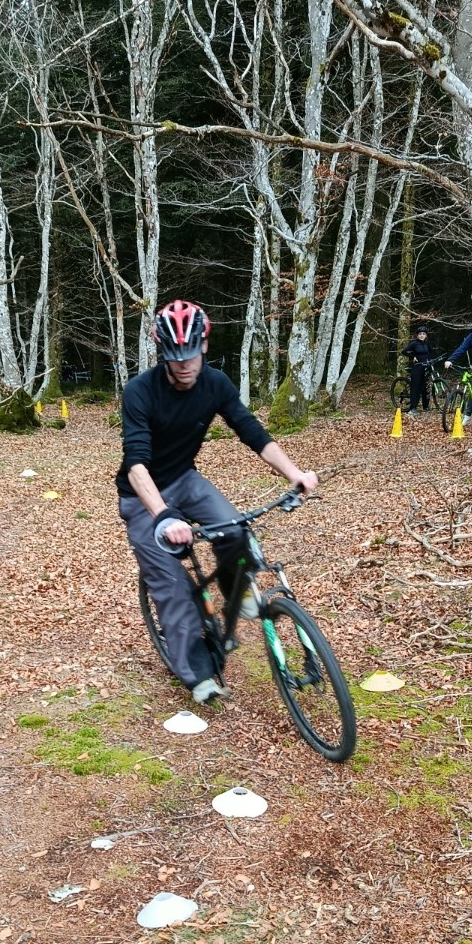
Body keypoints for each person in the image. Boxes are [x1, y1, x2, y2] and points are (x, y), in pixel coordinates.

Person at [118, 299, 319, 704]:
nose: (184, 364)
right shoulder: (140, 391)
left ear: (204, 346)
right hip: (143, 497)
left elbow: (252, 431)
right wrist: (164, 517)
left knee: (236, 531)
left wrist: (294, 473)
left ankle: (235, 589)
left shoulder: (216, 384)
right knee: (173, 587)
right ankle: (197, 673)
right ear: (162, 352)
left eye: (191, 354)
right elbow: (136, 464)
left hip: (185, 479)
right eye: (175, 356)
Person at [402, 325, 434, 411]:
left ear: (426, 335)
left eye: (423, 334)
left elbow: (431, 352)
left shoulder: (427, 344)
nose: (422, 335)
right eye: (420, 334)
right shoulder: (414, 343)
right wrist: (412, 356)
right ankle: (413, 407)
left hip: (425, 367)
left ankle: (425, 406)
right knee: (415, 387)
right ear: (417, 335)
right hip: (417, 367)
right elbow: (404, 351)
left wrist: (430, 360)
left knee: (425, 387)